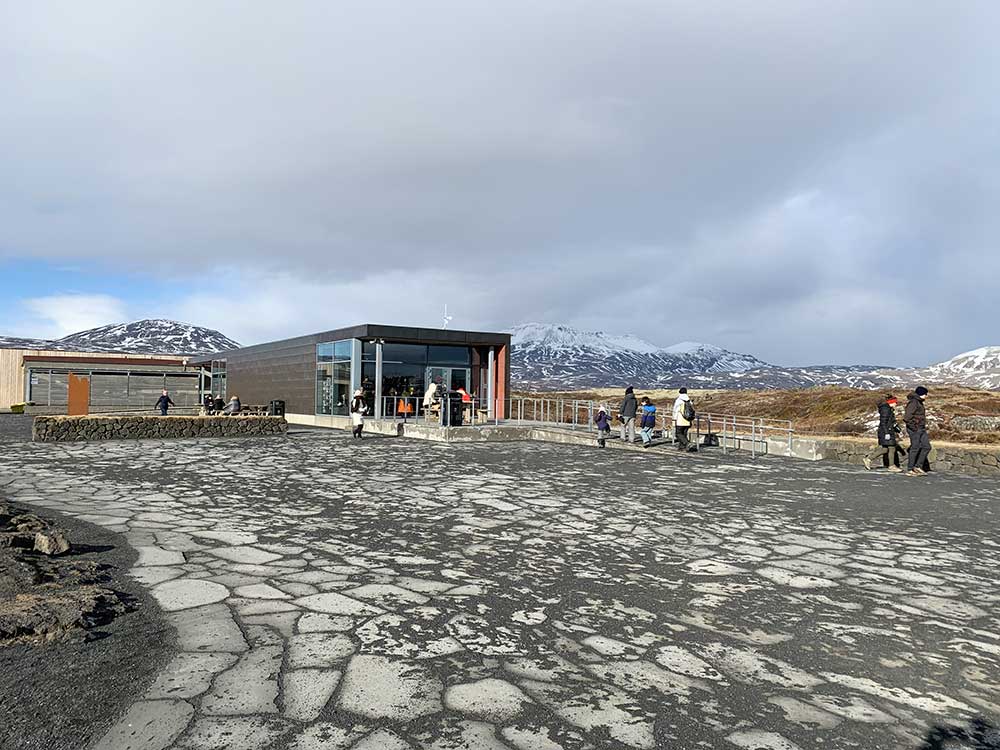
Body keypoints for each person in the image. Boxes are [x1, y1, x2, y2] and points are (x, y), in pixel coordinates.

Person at [863, 395, 903, 472]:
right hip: (886, 431)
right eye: (895, 402)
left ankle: (868, 459)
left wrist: (897, 428)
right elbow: (883, 422)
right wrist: (886, 433)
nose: (896, 404)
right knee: (892, 448)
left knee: (885, 449)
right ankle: (891, 466)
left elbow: (890, 421)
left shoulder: (889, 409)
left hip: (888, 430)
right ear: (891, 402)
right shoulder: (886, 409)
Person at [904, 386, 932, 476]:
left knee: (926, 446)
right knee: (915, 448)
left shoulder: (919, 402)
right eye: (925, 394)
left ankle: (918, 467)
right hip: (915, 429)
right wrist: (914, 427)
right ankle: (910, 469)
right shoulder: (913, 402)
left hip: (921, 428)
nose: (926, 396)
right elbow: (907, 417)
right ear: (921, 394)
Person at [672, 388, 696, 452]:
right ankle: (682, 448)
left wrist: (674, 419)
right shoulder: (689, 401)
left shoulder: (679, 400)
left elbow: (675, 411)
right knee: (684, 434)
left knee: (678, 434)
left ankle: (687, 443)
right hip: (688, 420)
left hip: (680, 419)